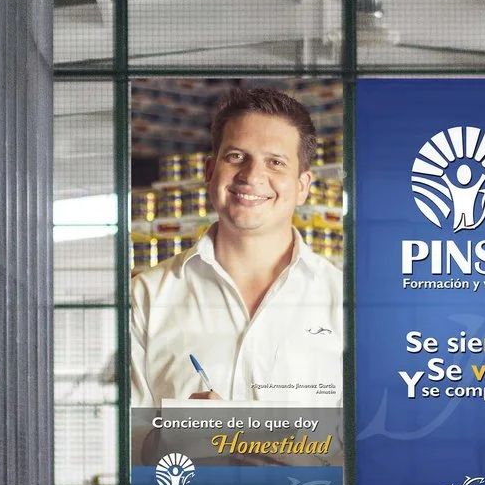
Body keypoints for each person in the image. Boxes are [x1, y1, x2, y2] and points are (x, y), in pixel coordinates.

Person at [130, 86, 342, 406]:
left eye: (275, 162)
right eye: (236, 156)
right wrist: (173, 433)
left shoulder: (344, 300)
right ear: (211, 172)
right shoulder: (146, 296)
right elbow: (122, 441)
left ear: (302, 187)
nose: (252, 175)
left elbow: (369, 438)